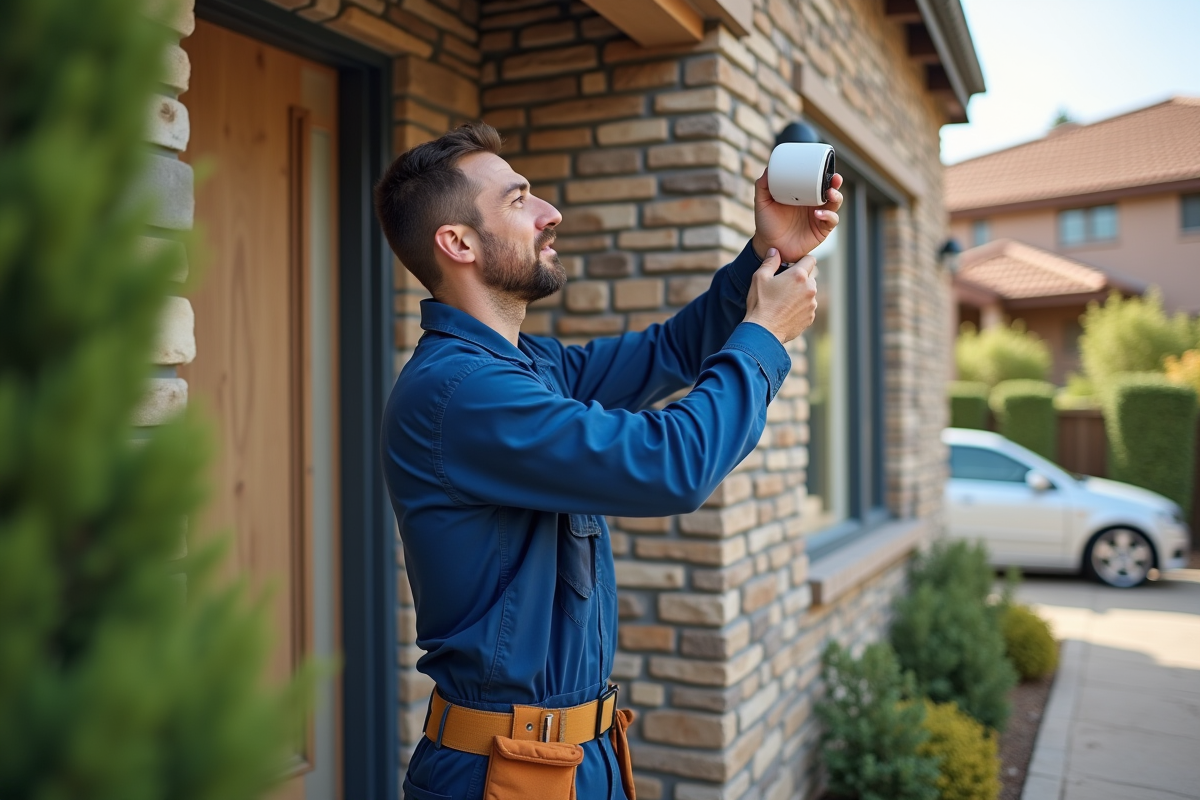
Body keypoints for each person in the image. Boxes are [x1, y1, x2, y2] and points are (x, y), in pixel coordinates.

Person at [375, 122, 841, 800]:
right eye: (518, 200)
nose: (549, 212)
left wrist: (767, 252)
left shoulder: (529, 367)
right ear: (458, 243)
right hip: (506, 773)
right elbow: (671, 464)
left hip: (577, 756)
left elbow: (670, 352)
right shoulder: (461, 393)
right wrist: (764, 336)